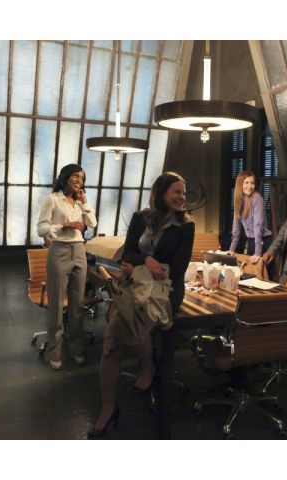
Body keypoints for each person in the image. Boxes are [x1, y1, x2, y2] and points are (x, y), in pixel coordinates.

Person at [88, 171, 195, 438]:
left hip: (165, 291)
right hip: (134, 285)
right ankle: (110, 405)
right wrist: (146, 261)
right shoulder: (140, 218)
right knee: (112, 341)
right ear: (161, 193)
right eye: (177, 192)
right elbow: (127, 254)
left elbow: (177, 269)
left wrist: (137, 265)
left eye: (184, 193)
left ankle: (145, 369)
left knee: (121, 326)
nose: (182, 197)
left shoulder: (186, 226)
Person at [36, 163, 97, 370]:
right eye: (75, 176)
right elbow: (41, 229)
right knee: (56, 304)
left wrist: (85, 203)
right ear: (65, 177)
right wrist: (65, 225)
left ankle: (77, 347)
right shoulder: (52, 199)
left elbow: (93, 223)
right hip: (59, 250)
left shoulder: (80, 202)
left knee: (77, 304)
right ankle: (55, 350)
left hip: (79, 249)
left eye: (82, 177)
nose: (79, 180)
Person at [229, 170, 272, 263]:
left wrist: (257, 253)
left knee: (259, 271)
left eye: (252, 183)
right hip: (251, 241)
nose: (250, 186)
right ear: (240, 184)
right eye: (246, 183)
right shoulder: (238, 200)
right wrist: (231, 250)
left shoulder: (257, 199)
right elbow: (236, 228)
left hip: (263, 241)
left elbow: (258, 226)